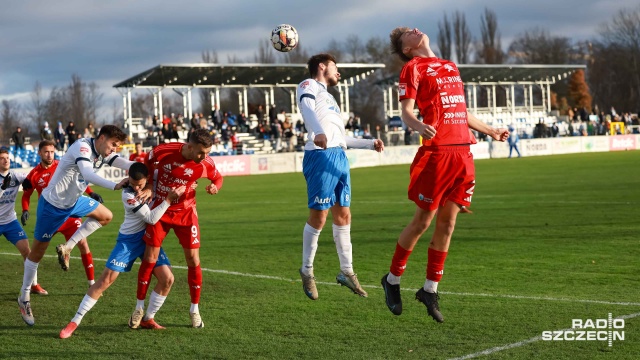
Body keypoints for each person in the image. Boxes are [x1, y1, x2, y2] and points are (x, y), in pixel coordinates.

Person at [381, 27, 508, 322]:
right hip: (438, 153)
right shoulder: (412, 68)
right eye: (407, 35)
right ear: (408, 49)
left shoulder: (450, 66)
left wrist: (490, 130)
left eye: (414, 28)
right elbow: (406, 112)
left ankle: (430, 289)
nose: (415, 30)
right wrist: (418, 125)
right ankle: (393, 279)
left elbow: (460, 110)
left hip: (463, 152)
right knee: (423, 220)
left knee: (448, 225)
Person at [17, 125, 135, 326]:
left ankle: (68, 247)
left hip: (73, 202)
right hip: (52, 206)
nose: (114, 148)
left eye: (117, 146)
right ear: (102, 137)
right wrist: (114, 185)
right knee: (36, 253)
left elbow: (123, 162)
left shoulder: (102, 152)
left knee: (106, 216)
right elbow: (88, 174)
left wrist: (146, 167)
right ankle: (24, 296)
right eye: (113, 144)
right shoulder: (82, 147)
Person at [59, 163, 186, 338]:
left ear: (148, 180)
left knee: (167, 279)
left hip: (149, 239)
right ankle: (75, 321)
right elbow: (150, 218)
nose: (135, 187)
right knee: (105, 281)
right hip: (129, 241)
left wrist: (154, 188)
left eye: (140, 184)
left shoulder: (152, 184)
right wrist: (168, 200)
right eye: (133, 183)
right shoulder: (127, 194)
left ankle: (148, 318)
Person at [296, 53, 385, 301]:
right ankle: (307, 270)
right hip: (320, 156)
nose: (339, 72)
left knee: (344, 215)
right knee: (319, 216)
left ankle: (347, 271)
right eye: (336, 67)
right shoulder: (308, 85)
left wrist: (369, 143)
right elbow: (306, 107)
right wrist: (318, 131)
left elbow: (340, 138)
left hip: (339, 156)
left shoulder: (331, 99)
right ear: (322, 66)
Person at [133, 129, 223, 329]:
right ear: (190, 147)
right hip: (161, 210)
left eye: (207, 152)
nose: (204, 157)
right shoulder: (163, 151)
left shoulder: (205, 163)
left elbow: (218, 177)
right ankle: (139, 307)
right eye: (201, 152)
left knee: (193, 260)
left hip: (187, 214)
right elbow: (145, 165)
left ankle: (194, 310)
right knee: (150, 259)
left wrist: (215, 187)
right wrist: (148, 184)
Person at [21, 140, 104, 287]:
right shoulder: (34, 174)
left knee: (83, 243)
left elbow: (77, 182)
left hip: (69, 213)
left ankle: (92, 284)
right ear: (39, 153)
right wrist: (25, 210)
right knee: (37, 251)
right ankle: (33, 285)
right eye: (46, 151)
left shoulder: (62, 165)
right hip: (50, 217)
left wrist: (91, 193)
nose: (49, 155)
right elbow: (26, 195)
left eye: (52, 151)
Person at [0, 149, 48, 296]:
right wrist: (3, 188)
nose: (6, 160)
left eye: (7, 157)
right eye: (2, 158)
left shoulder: (14, 175)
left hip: (10, 222)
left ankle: (33, 285)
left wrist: (29, 181)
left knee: (28, 252)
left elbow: (31, 178)